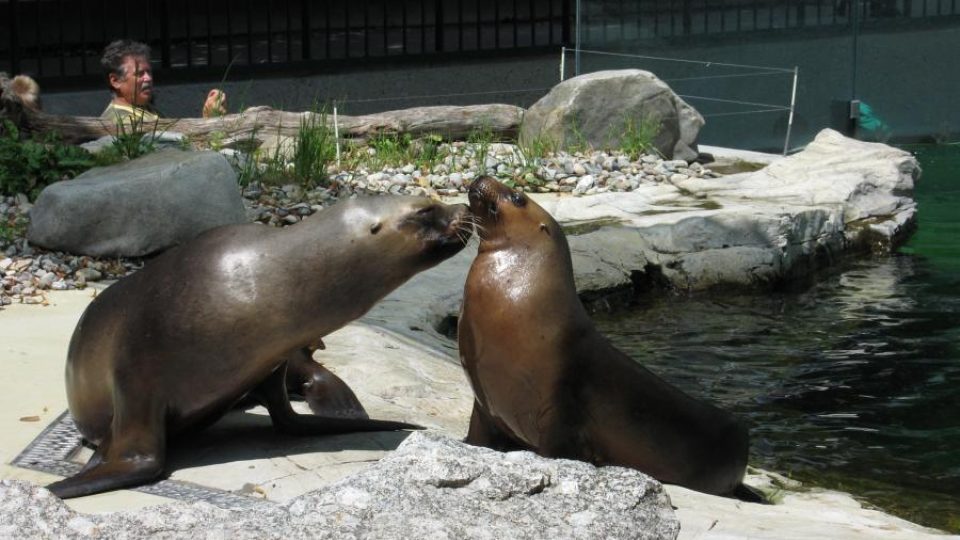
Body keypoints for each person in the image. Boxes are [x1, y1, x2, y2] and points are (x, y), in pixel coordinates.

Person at [99, 39, 227, 123]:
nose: (148, 78)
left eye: (148, 72)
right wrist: (210, 121)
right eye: (139, 74)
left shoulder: (146, 109)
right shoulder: (121, 122)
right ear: (115, 81)